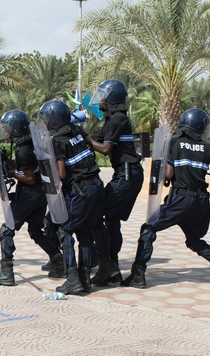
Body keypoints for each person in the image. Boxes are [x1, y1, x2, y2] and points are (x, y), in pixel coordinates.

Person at [121, 108, 210, 289]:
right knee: (195, 241)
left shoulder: (175, 143)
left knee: (148, 229)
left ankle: (138, 275)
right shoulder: (206, 148)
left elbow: (168, 174)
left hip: (181, 199)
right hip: (200, 201)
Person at [0, 110, 64, 286]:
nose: (5, 132)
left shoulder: (23, 150)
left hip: (29, 194)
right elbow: (26, 168)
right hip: (39, 195)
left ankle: (6, 272)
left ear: (16, 129)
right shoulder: (30, 145)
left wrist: (11, 173)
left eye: (8, 128)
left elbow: (28, 178)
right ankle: (58, 261)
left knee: (6, 230)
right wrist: (7, 163)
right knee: (35, 231)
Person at [38, 99, 105, 295]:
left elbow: (61, 174)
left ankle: (73, 278)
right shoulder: (76, 130)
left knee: (65, 231)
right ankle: (84, 279)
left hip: (81, 190)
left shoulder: (57, 140)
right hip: (96, 185)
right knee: (84, 232)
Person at [85, 79, 145, 285]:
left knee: (95, 212)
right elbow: (97, 139)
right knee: (112, 219)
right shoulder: (112, 119)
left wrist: (83, 137)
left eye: (102, 95)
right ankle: (112, 268)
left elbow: (104, 148)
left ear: (111, 98)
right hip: (126, 174)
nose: (99, 99)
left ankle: (107, 264)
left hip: (127, 175)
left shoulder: (118, 118)